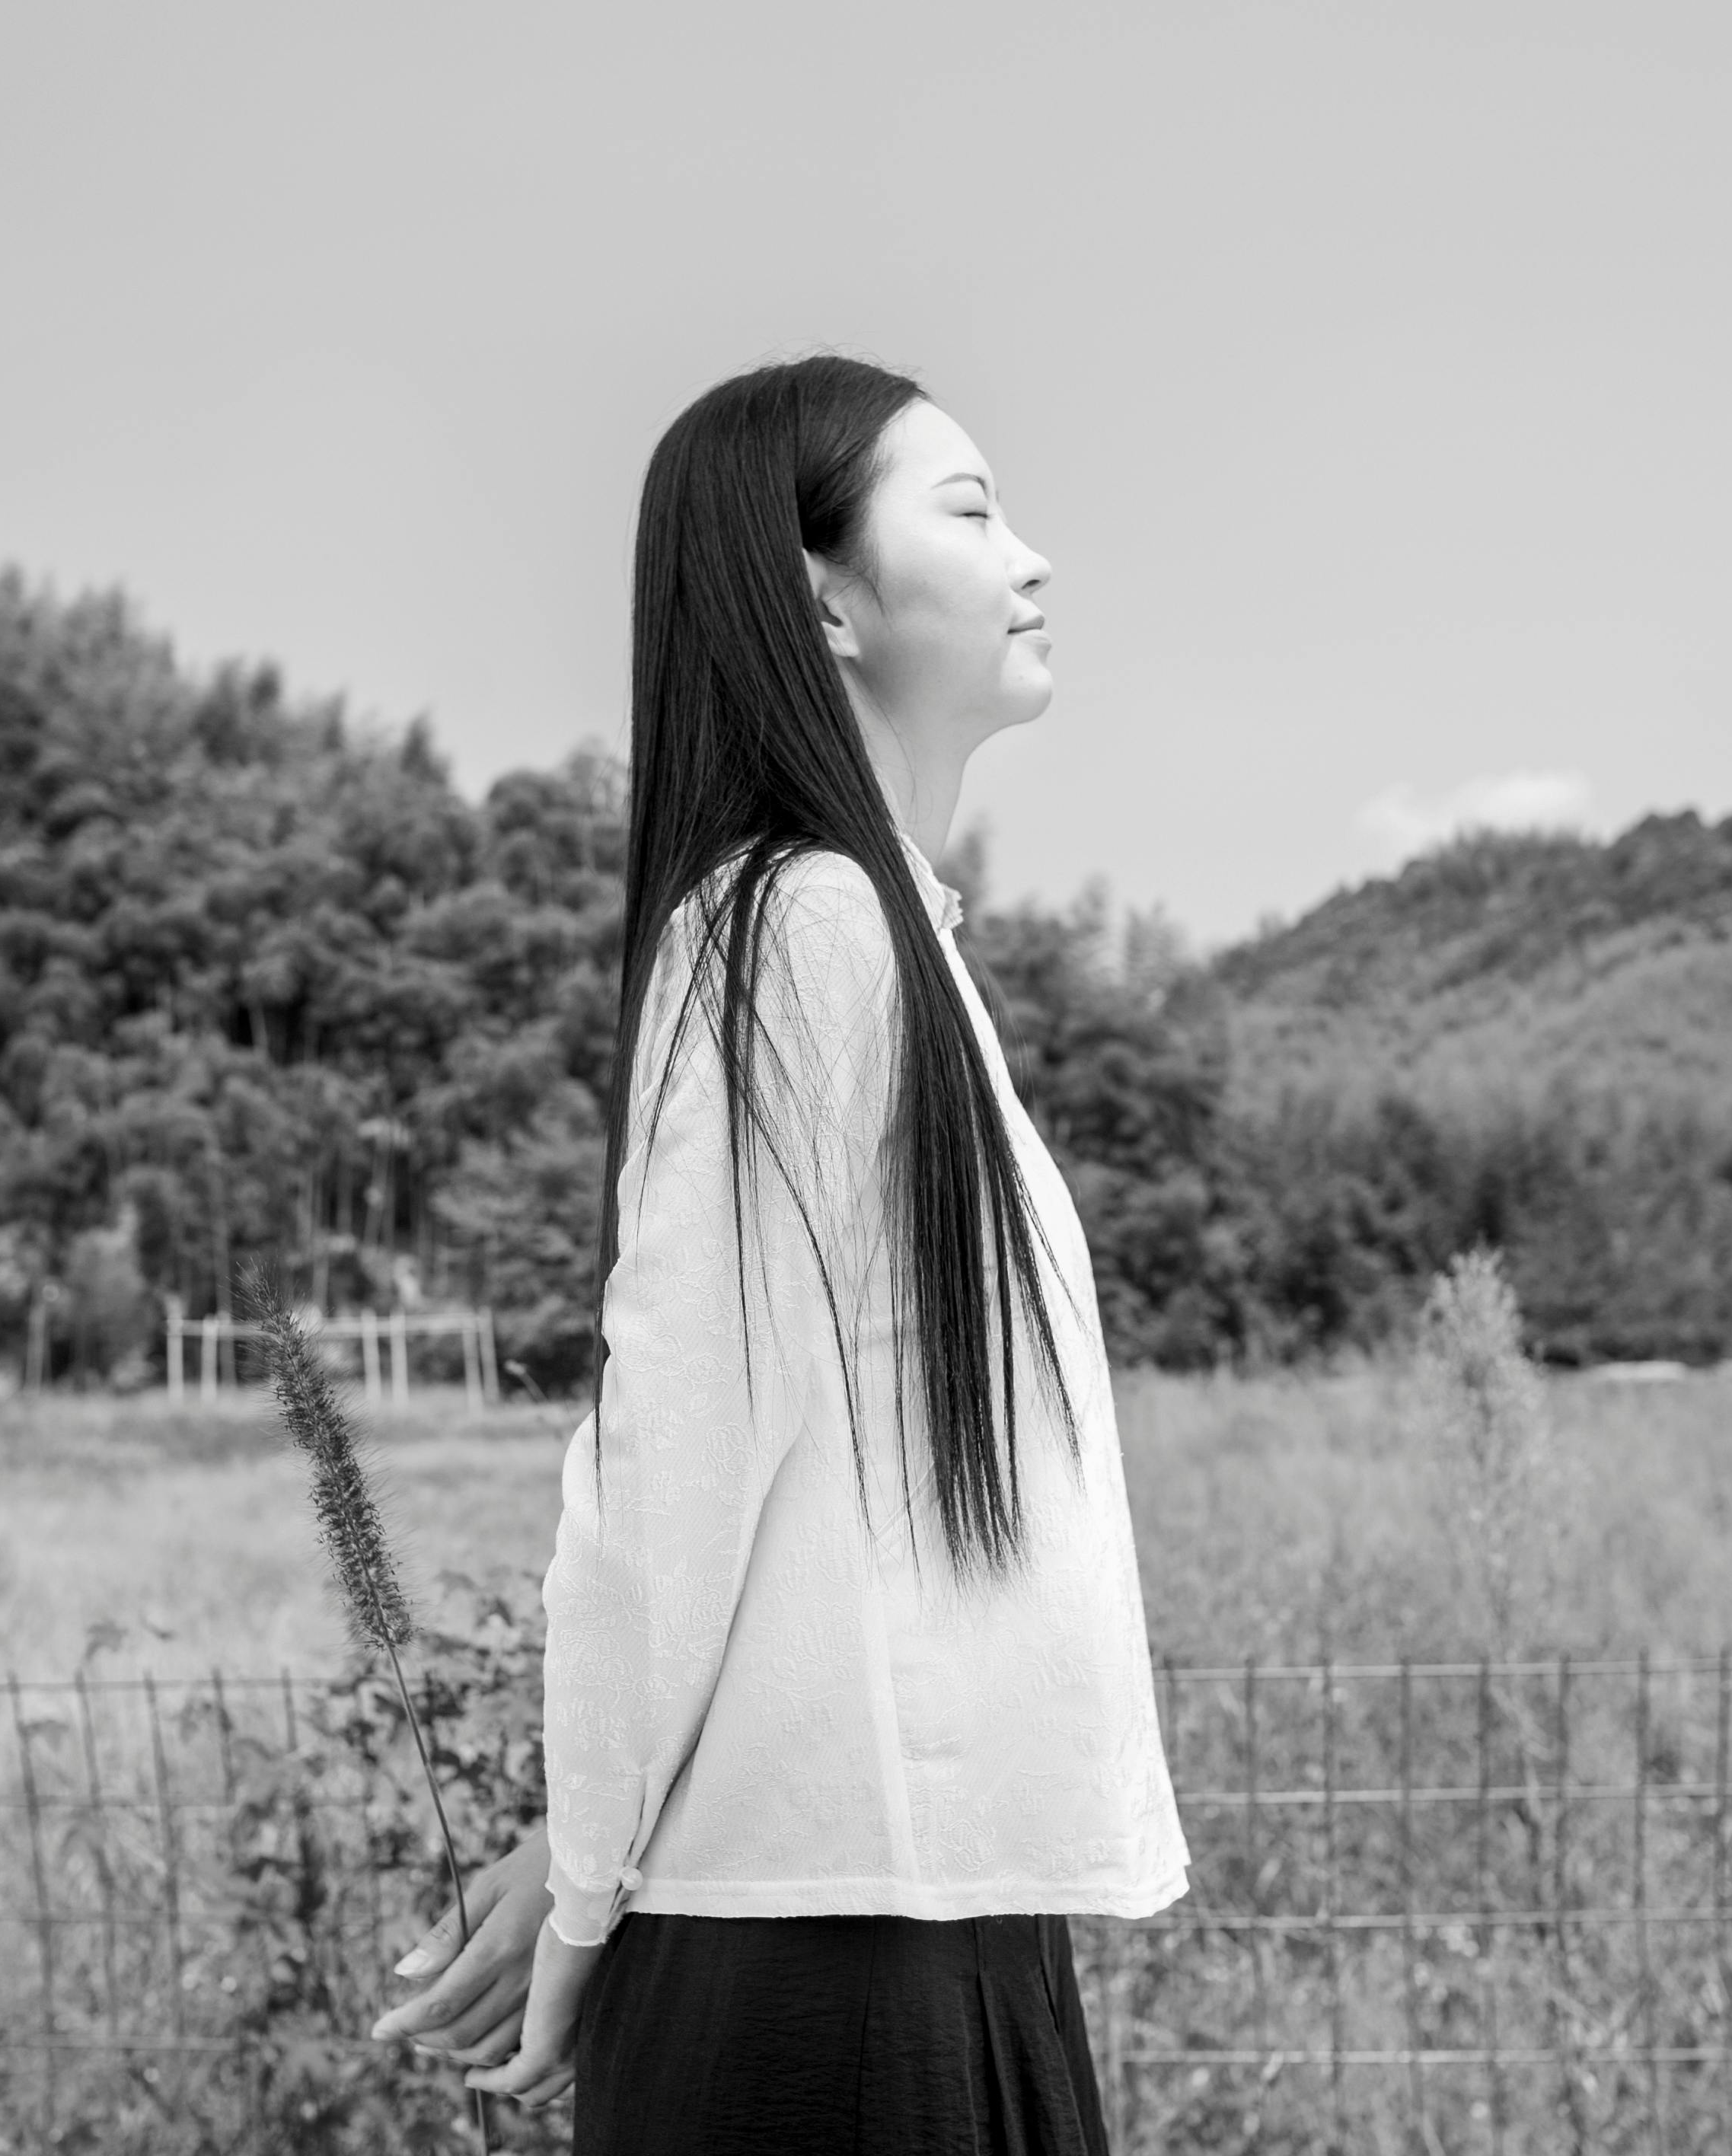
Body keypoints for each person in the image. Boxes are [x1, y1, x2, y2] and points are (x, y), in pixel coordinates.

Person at [367, 354, 1188, 2151]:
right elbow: (670, 1463)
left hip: (907, 1915)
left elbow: (812, 1527)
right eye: (969, 512)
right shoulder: (800, 933)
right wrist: (591, 1883)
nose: (1032, 556)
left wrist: (587, 1850)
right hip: (831, 1972)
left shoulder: (876, 937)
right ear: (822, 601)